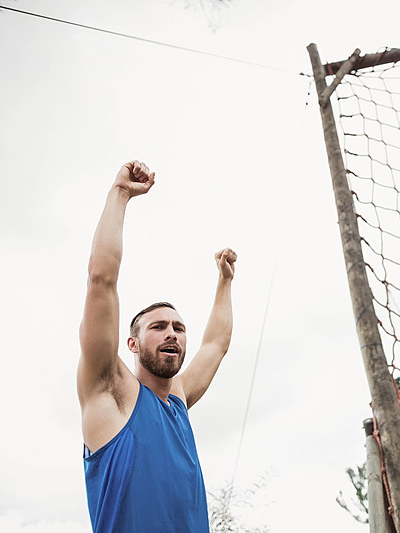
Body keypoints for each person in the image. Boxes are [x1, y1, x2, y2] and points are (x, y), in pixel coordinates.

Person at [77, 160, 236, 532]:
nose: (172, 334)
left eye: (179, 328)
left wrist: (225, 282)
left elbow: (216, 344)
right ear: (131, 342)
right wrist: (120, 195)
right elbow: (101, 279)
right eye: (159, 326)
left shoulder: (179, 400)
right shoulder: (110, 394)